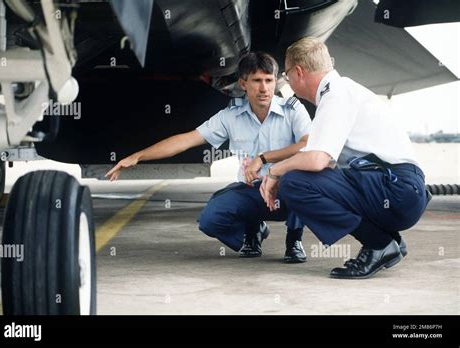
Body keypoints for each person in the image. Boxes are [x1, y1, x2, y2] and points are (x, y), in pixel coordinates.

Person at [106, 52, 312, 262]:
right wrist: (138, 156)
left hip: (287, 188)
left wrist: (264, 158)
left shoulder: (293, 110)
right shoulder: (230, 116)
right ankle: (254, 230)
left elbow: (308, 144)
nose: (264, 88)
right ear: (243, 83)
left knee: (304, 182)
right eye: (257, 81)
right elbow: (186, 140)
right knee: (210, 220)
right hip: (252, 190)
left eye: (269, 81)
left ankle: (294, 240)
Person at [260, 37, 429, 278]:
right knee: (308, 177)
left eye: (286, 76)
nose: (288, 82)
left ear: (298, 72)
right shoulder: (342, 90)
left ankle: (379, 244)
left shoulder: (335, 95)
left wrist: (275, 171)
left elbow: (317, 160)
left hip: (397, 190)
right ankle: (389, 240)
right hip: (399, 189)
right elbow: (324, 163)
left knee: (295, 183)